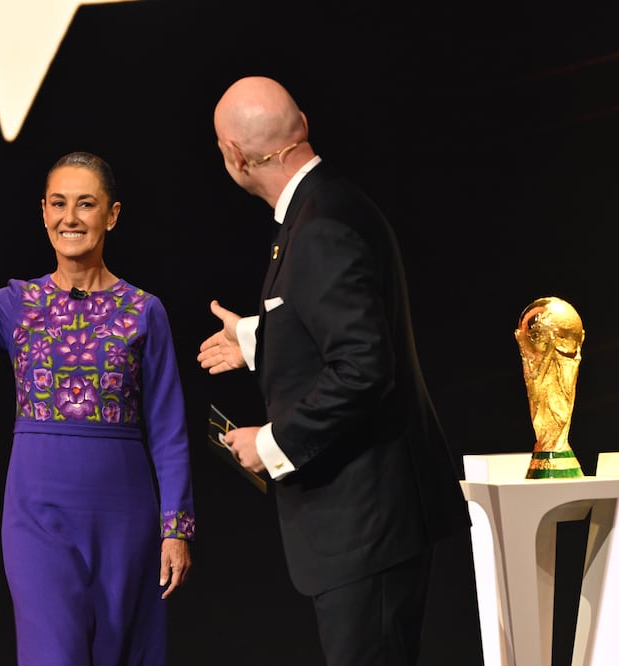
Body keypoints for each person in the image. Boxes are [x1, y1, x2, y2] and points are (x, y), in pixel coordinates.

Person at [197, 76, 471, 666]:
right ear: (302, 124)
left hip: (365, 523)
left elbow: (364, 368)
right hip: (373, 521)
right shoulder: (331, 202)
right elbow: (341, 326)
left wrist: (270, 444)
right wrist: (257, 338)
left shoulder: (318, 226)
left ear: (235, 157)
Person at [0, 151, 195, 666]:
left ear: (111, 215)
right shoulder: (17, 303)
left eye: (86, 204)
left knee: (123, 653)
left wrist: (175, 528)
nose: (69, 218)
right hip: (37, 518)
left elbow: (169, 429)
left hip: (125, 517)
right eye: (58, 204)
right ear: (43, 212)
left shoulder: (144, 310)